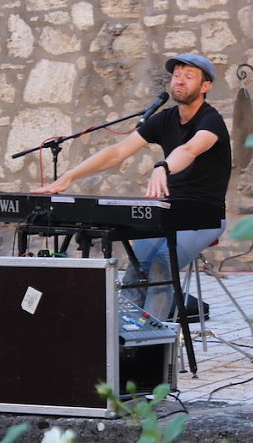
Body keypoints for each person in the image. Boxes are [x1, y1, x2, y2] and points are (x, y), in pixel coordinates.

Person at [32, 53, 231, 320]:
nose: (179, 81)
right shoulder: (164, 119)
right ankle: (124, 343)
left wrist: (163, 166)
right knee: (136, 267)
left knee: (162, 265)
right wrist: (70, 176)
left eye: (188, 76)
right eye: (176, 75)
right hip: (168, 211)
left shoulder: (211, 121)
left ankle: (154, 348)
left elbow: (190, 149)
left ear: (205, 86)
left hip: (204, 215)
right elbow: (117, 152)